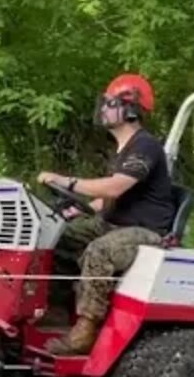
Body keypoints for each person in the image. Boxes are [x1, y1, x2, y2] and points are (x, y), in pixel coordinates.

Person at [36, 73, 175, 355]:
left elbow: (116, 187)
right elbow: (110, 199)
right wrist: (77, 208)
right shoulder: (123, 149)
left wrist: (67, 181)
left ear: (131, 109)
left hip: (147, 232)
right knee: (62, 236)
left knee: (100, 251)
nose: (102, 109)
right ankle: (59, 310)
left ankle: (85, 332)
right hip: (115, 223)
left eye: (109, 103)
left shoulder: (145, 146)